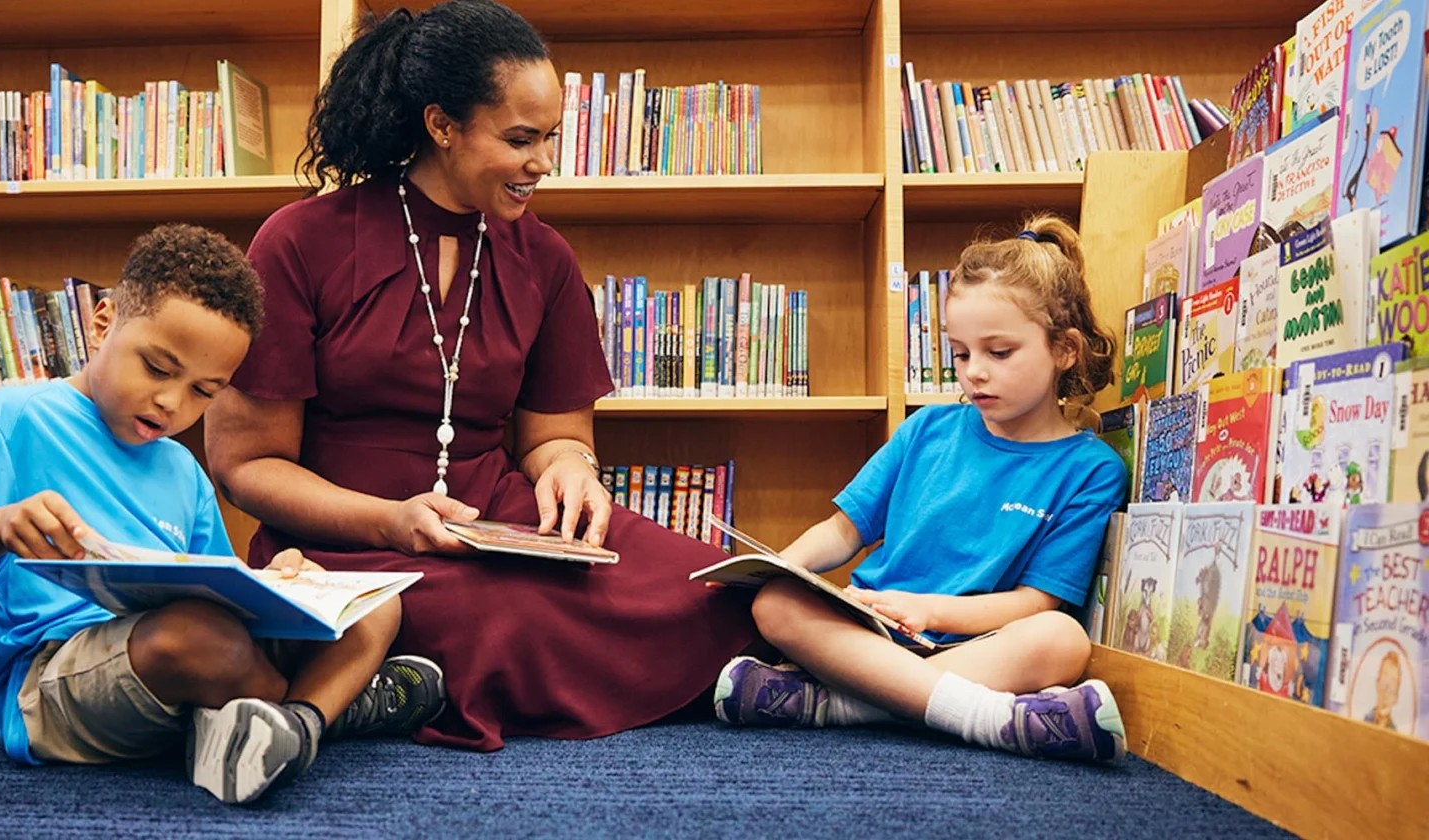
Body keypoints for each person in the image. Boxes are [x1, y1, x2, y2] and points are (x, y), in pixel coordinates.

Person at [204, 0, 758, 752]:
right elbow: (246, 465)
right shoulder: (300, 241)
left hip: (499, 521)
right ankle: (380, 678)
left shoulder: (546, 259)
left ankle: (396, 687)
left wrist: (572, 472)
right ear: (442, 126)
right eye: (520, 139)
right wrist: (388, 520)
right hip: (346, 535)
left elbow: (556, 436)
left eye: (550, 138)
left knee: (721, 586)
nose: (543, 163)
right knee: (498, 616)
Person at [0, 224, 445, 805]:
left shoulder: (181, 470)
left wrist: (282, 585)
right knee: (193, 640)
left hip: (192, 661)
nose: (172, 403)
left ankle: (292, 725)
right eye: (159, 369)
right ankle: (323, 712)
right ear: (101, 323)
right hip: (52, 682)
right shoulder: (12, 420)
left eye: (204, 392)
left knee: (375, 607)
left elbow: (219, 598)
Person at [713, 216, 1132, 764]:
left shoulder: (1090, 468)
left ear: (1065, 350)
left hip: (975, 644)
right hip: (871, 631)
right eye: (961, 354)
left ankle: (847, 704)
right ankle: (990, 718)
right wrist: (781, 567)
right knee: (777, 604)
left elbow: (1035, 602)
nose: (974, 373)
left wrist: (928, 610)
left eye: (998, 353)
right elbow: (844, 531)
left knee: (1062, 639)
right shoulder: (926, 430)